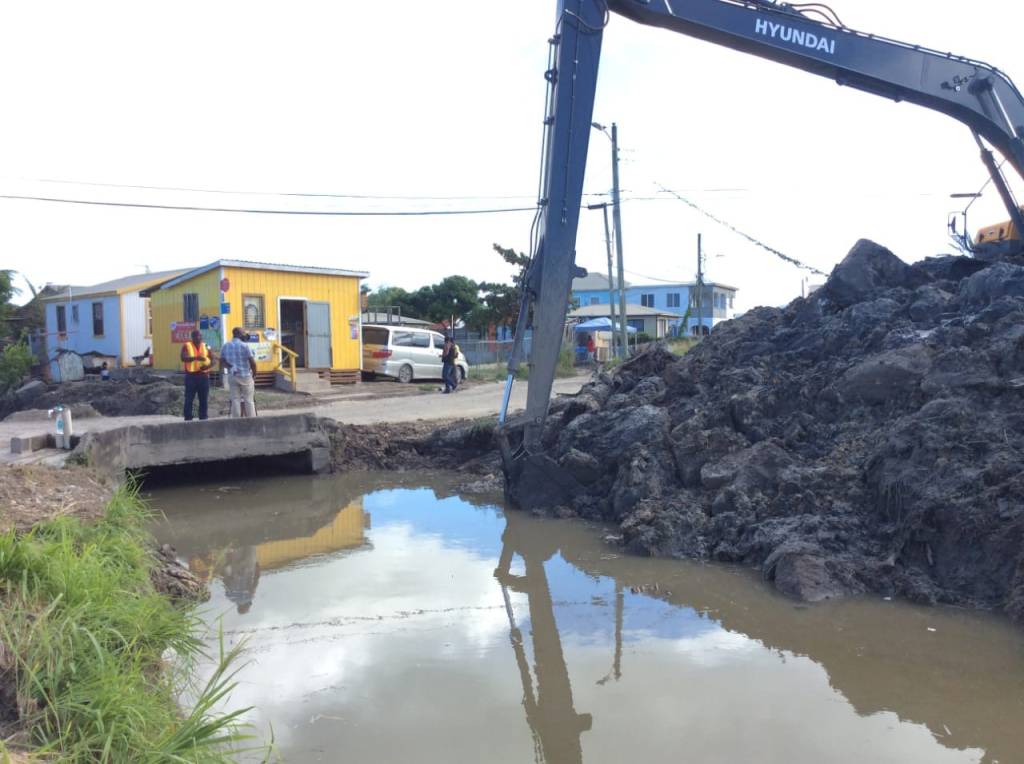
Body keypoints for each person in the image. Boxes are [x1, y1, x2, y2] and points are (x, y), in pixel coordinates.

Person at [221, 327, 257, 418]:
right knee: (248, 400)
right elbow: (253, 363)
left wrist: (230, 367)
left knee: (235, 400)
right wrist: (254, 375)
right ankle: (251, 420)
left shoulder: (226, 345)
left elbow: (222, 361)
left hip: (232, 375)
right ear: (240, 334)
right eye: (243, 333)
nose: (244, 334)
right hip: (245, 376)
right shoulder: (245, 346)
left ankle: (236, 421)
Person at [181, 329, 213, 421]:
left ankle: (203, 417)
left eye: (200, 336)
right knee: (189, 398)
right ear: (192, 337)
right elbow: (183, 358)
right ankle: (188, 417)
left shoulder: (207, 345)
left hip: (203, 376)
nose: (199, 337)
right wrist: (196, 358)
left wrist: (208, 366)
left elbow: (213, 359)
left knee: (203, 398)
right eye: (196, 336)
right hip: (191, 376)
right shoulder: (186, 345)